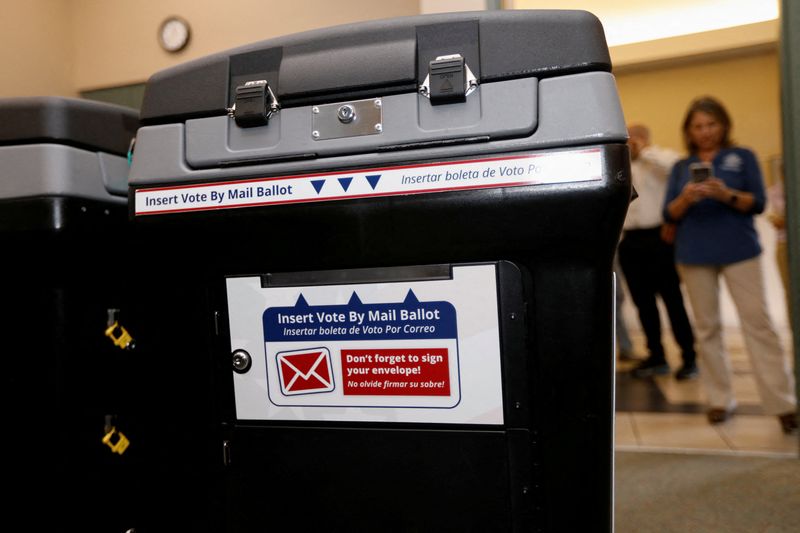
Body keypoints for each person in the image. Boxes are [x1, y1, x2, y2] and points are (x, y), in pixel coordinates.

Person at [663, 96, 797, 433]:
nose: (705, 131)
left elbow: (759, 203)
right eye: (698, 126)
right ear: (689, 132)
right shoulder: (681, 167)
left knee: (759, 324)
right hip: (694, 254)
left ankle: (783, 402)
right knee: (707, 329)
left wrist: (725, 195)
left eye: (711, 124)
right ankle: (719, 399)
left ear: (723, 126)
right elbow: (668, 213)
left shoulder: (743, 156)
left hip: (739, 251)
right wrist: (687, 197)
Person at [619, 124, 698, 380]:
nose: (630, 144)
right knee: (643, 304)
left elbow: (676, 166)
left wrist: (646, 151)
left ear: (643, 139)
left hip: (660, 238)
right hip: (630, 242)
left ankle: (689, 357)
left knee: (672, 300)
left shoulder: (661, 161)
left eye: (633, 138)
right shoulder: (622, 165)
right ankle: (657, 356)